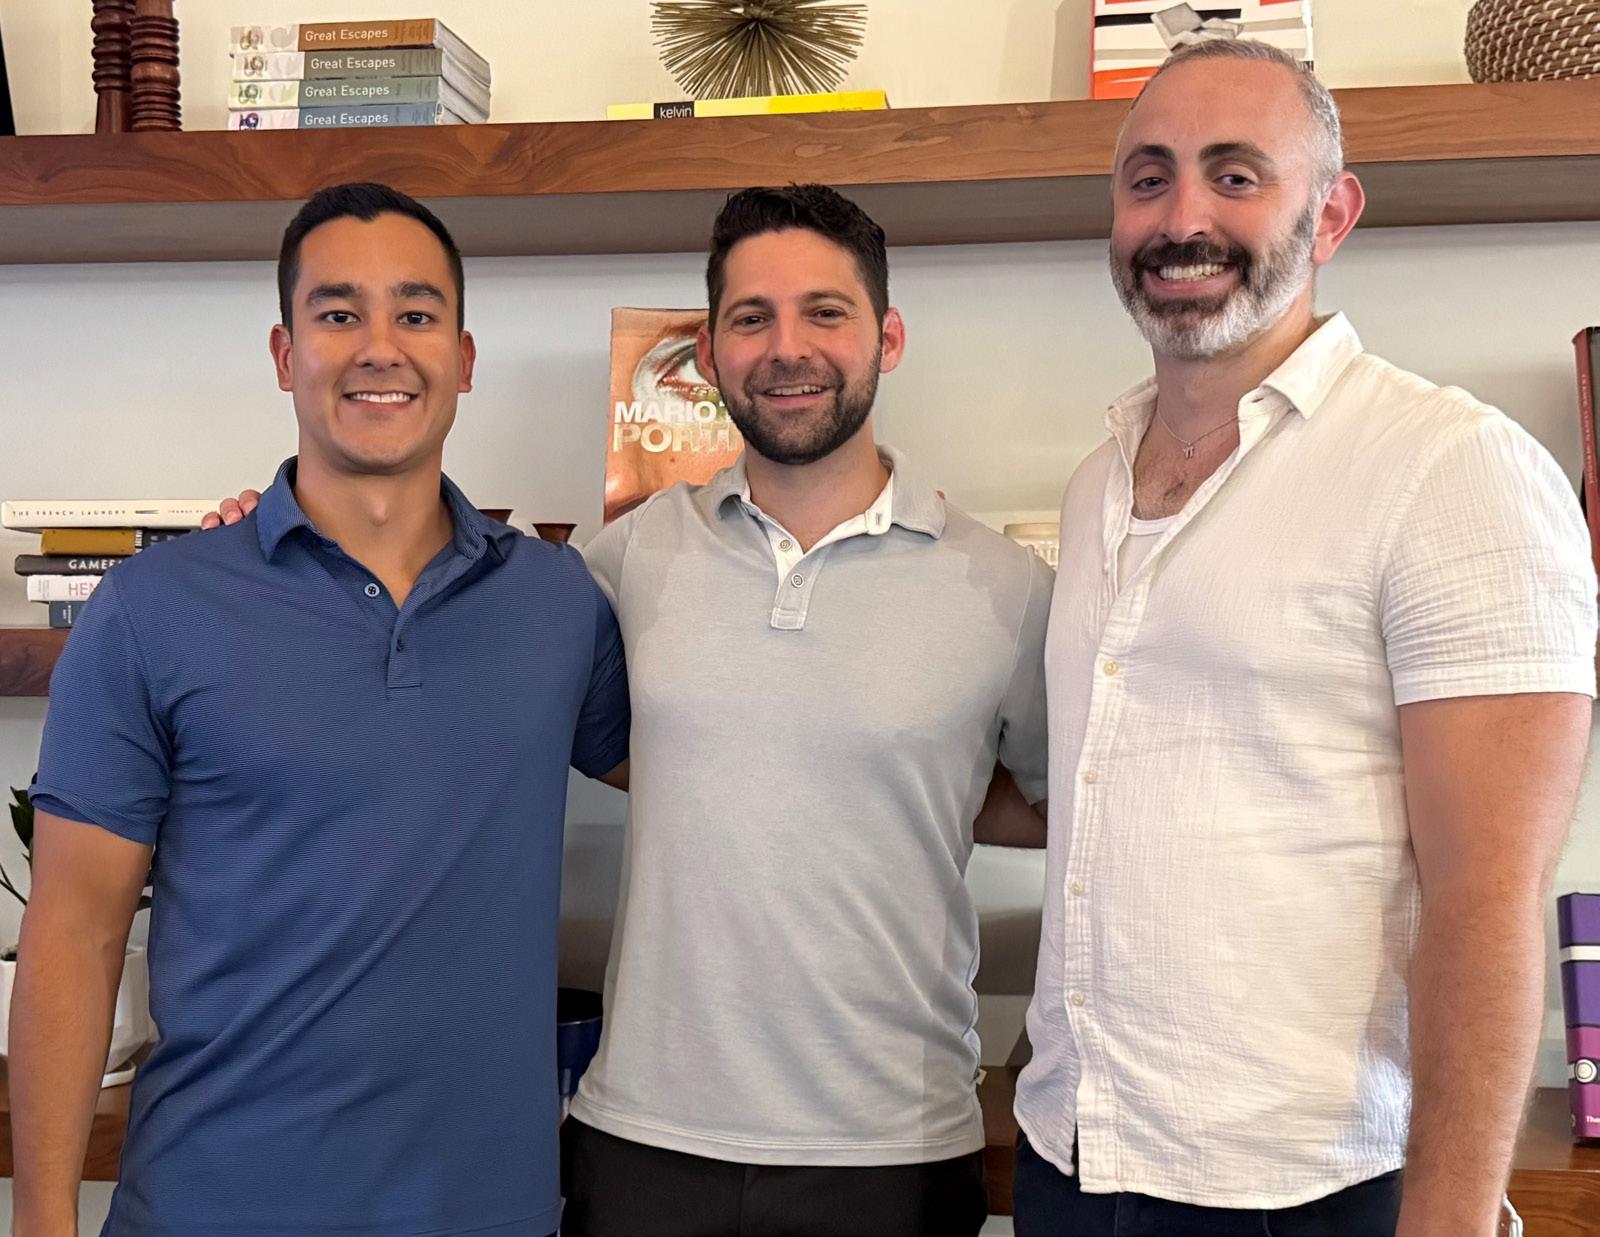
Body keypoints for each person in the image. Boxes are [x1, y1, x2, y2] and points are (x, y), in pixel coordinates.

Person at [1006, 38, 1597, 1237]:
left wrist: (1449, 1218)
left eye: (1235, 176)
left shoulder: (1450, 467)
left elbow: (1486, 900)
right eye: (1148, 179)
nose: (1182, 218)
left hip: (1303, 1190)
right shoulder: (1093, 484)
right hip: (1071, 1153)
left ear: (1329, 216)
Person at [10, 182, 629, 1237]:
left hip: (488, 1210)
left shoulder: (558, 601)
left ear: (463, 358)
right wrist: (42, 1219)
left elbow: (713, 766)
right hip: (214, 1206)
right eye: (339, 313)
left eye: (415, 313)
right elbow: (73, 929)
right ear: (284, 352)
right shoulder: (154, 609)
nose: (379, 347)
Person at [563, 184, 1051, 1236]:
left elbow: (1076, 798)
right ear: (708, 351)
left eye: (825, 312)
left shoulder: (1006, 587)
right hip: (643, 1140)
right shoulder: (630, 554)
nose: (788, 348)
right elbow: (519, 695)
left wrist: (914, 778)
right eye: (753, 317)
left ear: (889, 336)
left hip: (892, 1151)